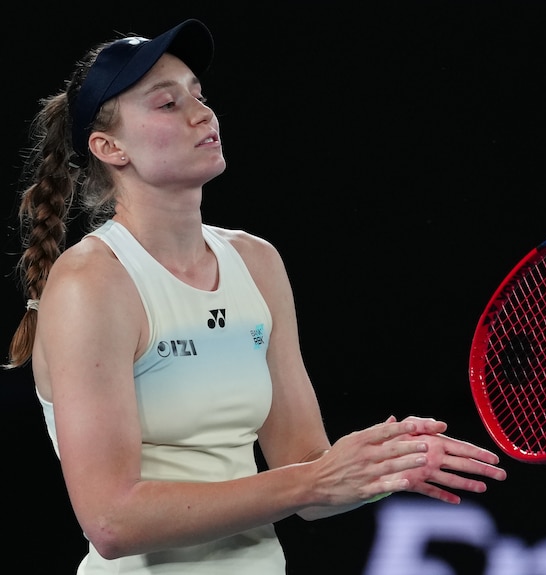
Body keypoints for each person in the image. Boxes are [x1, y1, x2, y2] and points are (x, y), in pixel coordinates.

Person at [4, 19, 507, 573]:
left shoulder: (256, 263)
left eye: (199, 94)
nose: (202, 113)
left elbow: (308, 473)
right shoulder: (91, 283)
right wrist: (311, 480)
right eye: (167, 104)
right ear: (109, 147)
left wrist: (382, 467)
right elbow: (112, 523)